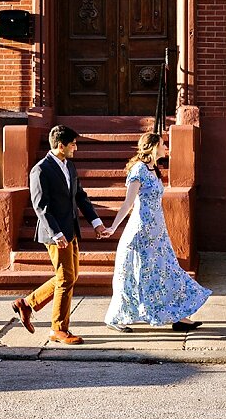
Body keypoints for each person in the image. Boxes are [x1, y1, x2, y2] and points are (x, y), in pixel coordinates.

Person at [11, 124, 110, 345]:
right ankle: (58, 328)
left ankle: (26, 304)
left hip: (71, 230)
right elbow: (40, 206)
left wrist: (96, 223)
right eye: (73, 144)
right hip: (55, 233)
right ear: (60, 145)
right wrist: (55, 233)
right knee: (65, 278)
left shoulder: (70, 166)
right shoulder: (41, 170)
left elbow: (81, 197)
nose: (76, 147)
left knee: (70, 276)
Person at [103, 132, 211, 333]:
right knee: (133, 275)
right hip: (140, 233)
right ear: (152, 147)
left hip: (157, 233)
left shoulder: (155, 170)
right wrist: (113, 227)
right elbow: (128, 203)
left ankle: (179, 317)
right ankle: (115, 317)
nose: (165, 148)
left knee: (165, 272)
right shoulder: (138, 170)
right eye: (162, 144)